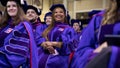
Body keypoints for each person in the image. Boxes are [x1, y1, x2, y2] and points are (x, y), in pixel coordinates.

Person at [70, 0, 120, 68]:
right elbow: (81, 51)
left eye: (76, 25)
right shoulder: (100, 18)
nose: (75, 27)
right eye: (74, 25)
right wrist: (97, 54)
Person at [36, 4, 76, 68]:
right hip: (43, 58)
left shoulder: (69, 29)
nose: (58, 14)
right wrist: (45, 45)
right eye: (55, 12)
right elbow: (39, 40)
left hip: (60, 60)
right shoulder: (47, 28)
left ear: (65, 14)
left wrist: (53, 44)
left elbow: (71, 45)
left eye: (61, 12)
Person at [0, 0, 38, 68]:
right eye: (8, 6)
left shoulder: (23, 26)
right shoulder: (5, 25)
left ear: (19, 8)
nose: (11, 8)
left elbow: (17, 56)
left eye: (14, 6)